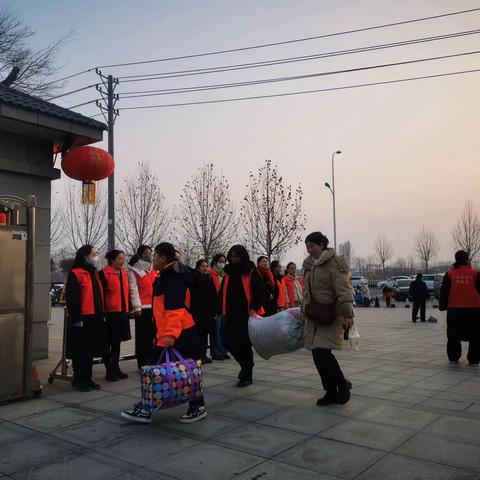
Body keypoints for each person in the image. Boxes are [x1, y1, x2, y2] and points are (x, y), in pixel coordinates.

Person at [122, 242, 208, 424]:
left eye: (155, 256)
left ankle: (195, 406)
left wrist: (169, 335)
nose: (152, 259)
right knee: (185, 370)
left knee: (174, 370)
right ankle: (150, 408)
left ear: (162, 258)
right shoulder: (169, 275)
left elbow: (174, 309)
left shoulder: (173, 277)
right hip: (177, 332)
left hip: (178, 333)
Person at [302, 232, 354, 406]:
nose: (309, 250)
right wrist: (303, 311)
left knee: (323, 353)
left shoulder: (335, 262)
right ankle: (330, 392)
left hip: (332, 314)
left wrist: (348, 314)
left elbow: (344, 290)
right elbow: (306, 291)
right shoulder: (310, 265)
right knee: (317, 355)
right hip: (314, 315)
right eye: (307, 247)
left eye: (312, 246)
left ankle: (341, 384)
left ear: (321, 245)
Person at [220, 245, 264, 387]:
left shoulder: (250, 271)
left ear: (242, 256)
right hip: (230, 313)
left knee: (243, 344)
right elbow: (221, 292)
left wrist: (254, 308)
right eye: (231, 257)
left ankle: (246, 374)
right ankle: (247, 365)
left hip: (246, 314)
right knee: (226, 341)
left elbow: (259, 291)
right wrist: (217, 309)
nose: (233, 259)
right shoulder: (228, 273)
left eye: (236, 256)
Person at [65, 245, 106, 392]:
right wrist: (77, 318)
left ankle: (88, 379)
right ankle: (79, 380)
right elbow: (72, 299)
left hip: (94, 318)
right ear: (85, 257)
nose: (96, 257)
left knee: (90, 352)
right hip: (82, 318)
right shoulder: (76, 273)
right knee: (80, 352)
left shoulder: (93, 273)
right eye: (93, 254)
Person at [439, 250, 480, 366]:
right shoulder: (475, 273)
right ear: (467, 260)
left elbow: (444, 292)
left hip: (454, 309)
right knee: (475, 335)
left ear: (456, 259)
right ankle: (474, 359)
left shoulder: (450, 274)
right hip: (474, 309)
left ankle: (453, 356)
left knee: (453, 335)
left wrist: (442, 305)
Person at [99, 250, 131, 381]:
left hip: (122, 311)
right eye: (120, 258)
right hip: (110, 313)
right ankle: (109, 370)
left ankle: (116, 368)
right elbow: (101, 295)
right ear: (112, 260)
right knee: (107, 343)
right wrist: (103, 312)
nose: (123, 261)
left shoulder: (123, 273)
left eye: (123, 258)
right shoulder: (104, 274)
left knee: (117, 342)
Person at [127, 245, 157, 369]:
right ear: (139, 254)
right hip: (142, 308)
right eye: (146, 253)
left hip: (154, 306)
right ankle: (143, 363)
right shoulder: (133, 270)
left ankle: (153, 360)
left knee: (153, 335)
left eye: (150, 252)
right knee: (143, 337)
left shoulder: (153, 270)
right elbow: (133, 289)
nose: (149, 255)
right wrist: (137, 307)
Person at [191, 259, 217, 364]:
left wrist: (214, 310)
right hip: (198, 311)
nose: (205, 268)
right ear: (198, 268)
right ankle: (199, 355)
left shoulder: (209, 279)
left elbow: (213, 295)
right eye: (202, 266)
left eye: (206, 266)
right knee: (199, 334)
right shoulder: (195, 279)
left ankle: (204, 354)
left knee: (206, 334)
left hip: (209, 311)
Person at [209, 254, 230, 360]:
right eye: (220, 261)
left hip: (224, 306)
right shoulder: (210, 273)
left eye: (224, 261)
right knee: (215, 331)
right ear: (215, 261)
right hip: (215, 306)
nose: (222, 263)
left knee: (223, 330)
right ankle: (216, 352)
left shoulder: (225, 274)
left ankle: (223, 351)